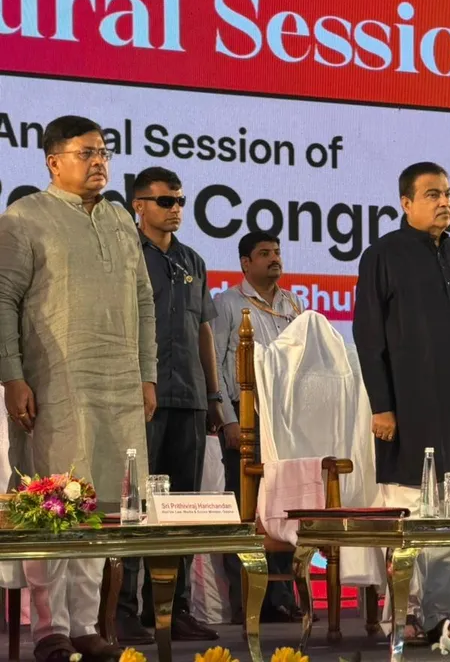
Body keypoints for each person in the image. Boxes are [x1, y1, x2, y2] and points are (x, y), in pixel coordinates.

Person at [0, 116, 157, 662]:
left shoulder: (119, 219)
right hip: (55, 383)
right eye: (87, 152)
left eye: (104, 152)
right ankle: (50, 629)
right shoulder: (24, 218)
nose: (100, 162)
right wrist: (12, 374)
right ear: (53, 161)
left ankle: (87, 625)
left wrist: (147, 373)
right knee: (55, 506)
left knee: (103, 508)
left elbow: (142, 300)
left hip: (118, 385)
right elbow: (3, 300)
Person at [354, 162, 450, 644]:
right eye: (432, 194)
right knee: (415, 511)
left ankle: (440, 615)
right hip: (410, 407)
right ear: (406, 203)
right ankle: (406, 614)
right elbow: (368, 334)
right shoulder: (383, 254)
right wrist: (382, 406)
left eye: (449, 193)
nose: (444, 202)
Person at [116, 167, 222, 644]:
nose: (176, 208)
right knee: (136, 504)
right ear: (139, 205)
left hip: (191, 397)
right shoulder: (124, 255)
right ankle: (123, 609)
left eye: (180, 199)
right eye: (165, 201)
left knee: (181, 507)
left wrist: (216, 396)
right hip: (143, 397)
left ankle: (173, 607)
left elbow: (203, 329)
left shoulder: (193, 260)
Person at [212, 231, 302, 623]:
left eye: (277, 252)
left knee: (281, 511)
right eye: (264, 254)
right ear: (246, 263)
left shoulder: (293, 305)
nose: (274, 259)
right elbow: (214, 364)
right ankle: (248, 602)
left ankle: (282, 597)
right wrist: (227, 420)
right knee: (246, 513)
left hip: (287, 425)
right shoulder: (227, 304)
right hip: (245, 419)